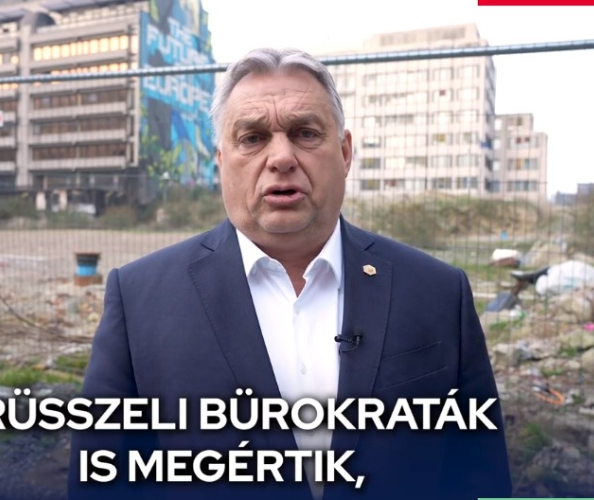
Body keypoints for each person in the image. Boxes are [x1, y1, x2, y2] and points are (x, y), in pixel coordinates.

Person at [68, 47, 512, 500]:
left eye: (305, 133)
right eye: (253, 137)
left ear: (345, 153)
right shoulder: (140, 299)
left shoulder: (438, 293)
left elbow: (480, 476)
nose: (281, 157)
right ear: (221, 160)